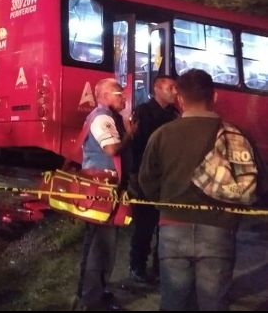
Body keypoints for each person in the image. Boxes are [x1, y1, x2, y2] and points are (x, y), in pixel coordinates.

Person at [140, 69, 239, 311]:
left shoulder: (162, 135)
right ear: (214, 96)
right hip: (219, 228)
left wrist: (165, 203)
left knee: (174, 302)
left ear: (180, 99)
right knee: (214, 303)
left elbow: (146, 181)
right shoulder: (234, 136)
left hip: (173, 227)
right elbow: (254, 184)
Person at [76, 78, 135, 311]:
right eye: (119, 94)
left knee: (98, 243)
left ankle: (93, 291)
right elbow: (111, 149)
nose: (124, 98)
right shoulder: (103, 117)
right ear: (105, 96)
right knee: (102, 246)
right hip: (103, 191)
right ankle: (93, 299)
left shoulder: (103, 116)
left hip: (101, 190)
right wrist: (130, 134)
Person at [128, 75, 178, 283]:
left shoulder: (175, 114)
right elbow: (138, 145)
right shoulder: (144, 112)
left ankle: (160, 268)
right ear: (157, 89)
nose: (175, 92)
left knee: (165, 227)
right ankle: (137, 266)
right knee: (145, 225)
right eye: (170, 88)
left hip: (168, 178)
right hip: (147, 177)